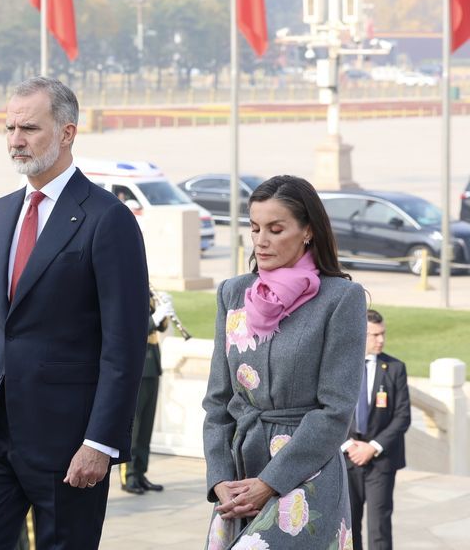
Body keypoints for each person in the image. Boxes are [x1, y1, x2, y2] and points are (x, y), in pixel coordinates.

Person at [0, 77, 148, 550]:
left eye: (29, 128)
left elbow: (124, 345)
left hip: (68, 444)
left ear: (67, 132)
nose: (16, 140)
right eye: (10, 128)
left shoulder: (107, 218)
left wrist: (99, 442)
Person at [202, 175, 367, 549]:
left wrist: (270, 482)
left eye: (276, 229)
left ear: (308, 231)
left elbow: (336, 410)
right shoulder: (232, 293)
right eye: (255, 227)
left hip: (306, 477)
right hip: (239, 476)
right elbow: (218, 401)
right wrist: (219, 477)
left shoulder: (342, 298)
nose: (261, 240)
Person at [345, 309, 409, 550]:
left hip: (381, 461)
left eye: (383, 334)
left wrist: (372, 447)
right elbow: (325, 409)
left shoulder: (395, 368)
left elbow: (402, 416)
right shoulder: (341, 367)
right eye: (375, 335)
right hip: (347, 459)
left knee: (379, 526)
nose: (381, 340)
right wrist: (348, 445)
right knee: (348, 526)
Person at [120, 287, 175, 495]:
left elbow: (159, 327)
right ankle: (129, 475)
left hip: (152, 365)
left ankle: (140, 472)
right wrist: (155, 318)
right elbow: (130, 328)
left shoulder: (150, 293)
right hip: (137, 367)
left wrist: (164, 311)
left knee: (145, 427)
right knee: (134, 426)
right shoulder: (129, 291)